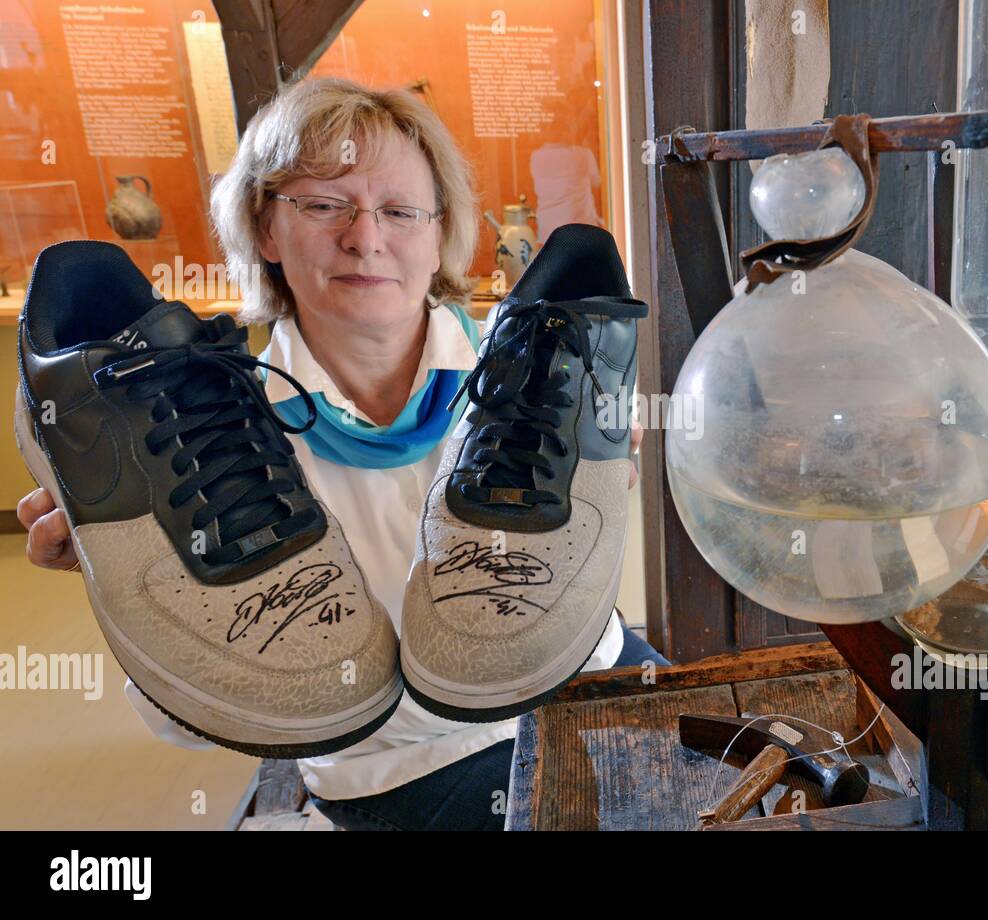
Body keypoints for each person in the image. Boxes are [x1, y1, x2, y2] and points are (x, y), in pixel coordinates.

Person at [17, 76, 668, 831]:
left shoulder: (545, 377)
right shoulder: (195, 439)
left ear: (440, 232)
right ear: (265, 230)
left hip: (593, 685)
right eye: (325, 206)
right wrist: (121, 576)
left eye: (398, 210)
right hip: (402, 770)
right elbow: (200, 715)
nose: (366, 238)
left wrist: (602, 499)